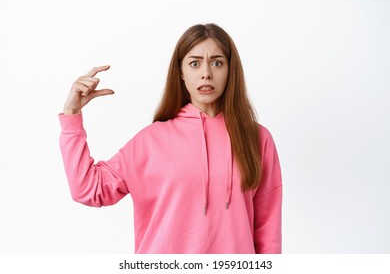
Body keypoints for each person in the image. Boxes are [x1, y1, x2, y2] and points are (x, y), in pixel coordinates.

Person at [59, 23, 282, 254]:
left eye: (217, 62)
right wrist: (72, 116)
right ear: (181, 72)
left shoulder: (257, 139)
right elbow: (87, 189)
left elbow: (268, 231)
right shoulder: (151, 141)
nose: (206, 72)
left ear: (230, 70)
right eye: (195, 63)